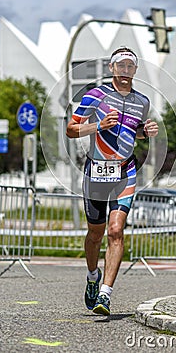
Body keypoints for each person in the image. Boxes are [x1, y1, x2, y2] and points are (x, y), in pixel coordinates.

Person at [66, 46, 158, 316]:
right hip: (96, 171)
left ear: (135, 71)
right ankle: (93, 277)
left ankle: (105, 295)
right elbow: (72, 130)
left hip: (125, 171)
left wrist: (146, 131)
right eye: (121, 66)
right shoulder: (96, 95)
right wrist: (97, 126)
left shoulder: (142, 101)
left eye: (131, 66)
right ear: (112, 69)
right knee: (96, 233)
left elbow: (134, 132)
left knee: (116, 231)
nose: (126, 71)